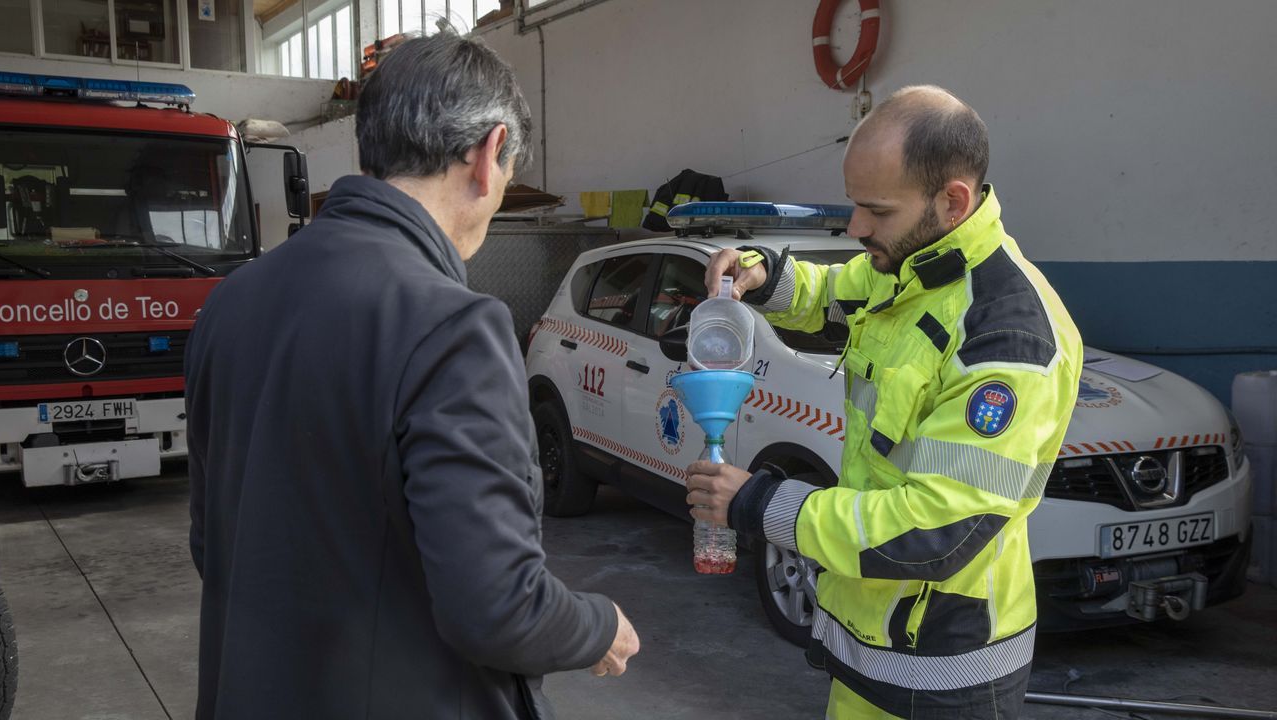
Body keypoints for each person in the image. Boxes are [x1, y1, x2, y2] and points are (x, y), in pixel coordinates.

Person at [185, 33, 638, 720]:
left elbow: (212, 541)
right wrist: (597, 625)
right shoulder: (453, 328)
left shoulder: (232, 302)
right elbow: (496, 606)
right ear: (488, 156)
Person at [690, 86, 1082, 719]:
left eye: (875, 210)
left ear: (952, 200)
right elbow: (836, 289)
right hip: (869, 648)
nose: (856, 228)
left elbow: (938, 528)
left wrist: (759, 503)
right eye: (853, 205)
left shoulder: (1005, 336)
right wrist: (763, 273)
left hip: (945, 677)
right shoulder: (914, 265)